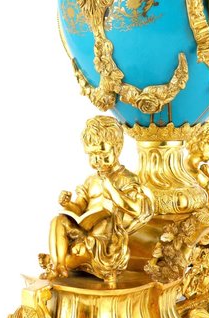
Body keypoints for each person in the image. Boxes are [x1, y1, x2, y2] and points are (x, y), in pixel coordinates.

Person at [40, 116, 154, 282]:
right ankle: (59, 266)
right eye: (92, 155)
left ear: (117, 149)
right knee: (58, 221)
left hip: (104, 240)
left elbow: (137, 209)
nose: (97, 160)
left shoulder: (127, 179)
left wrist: (112, 190)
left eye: (103, 154)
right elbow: (79, 207)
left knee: (81, 248)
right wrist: (68, 204)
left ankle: (64, 257)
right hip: (83, 231)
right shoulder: (91, 181)